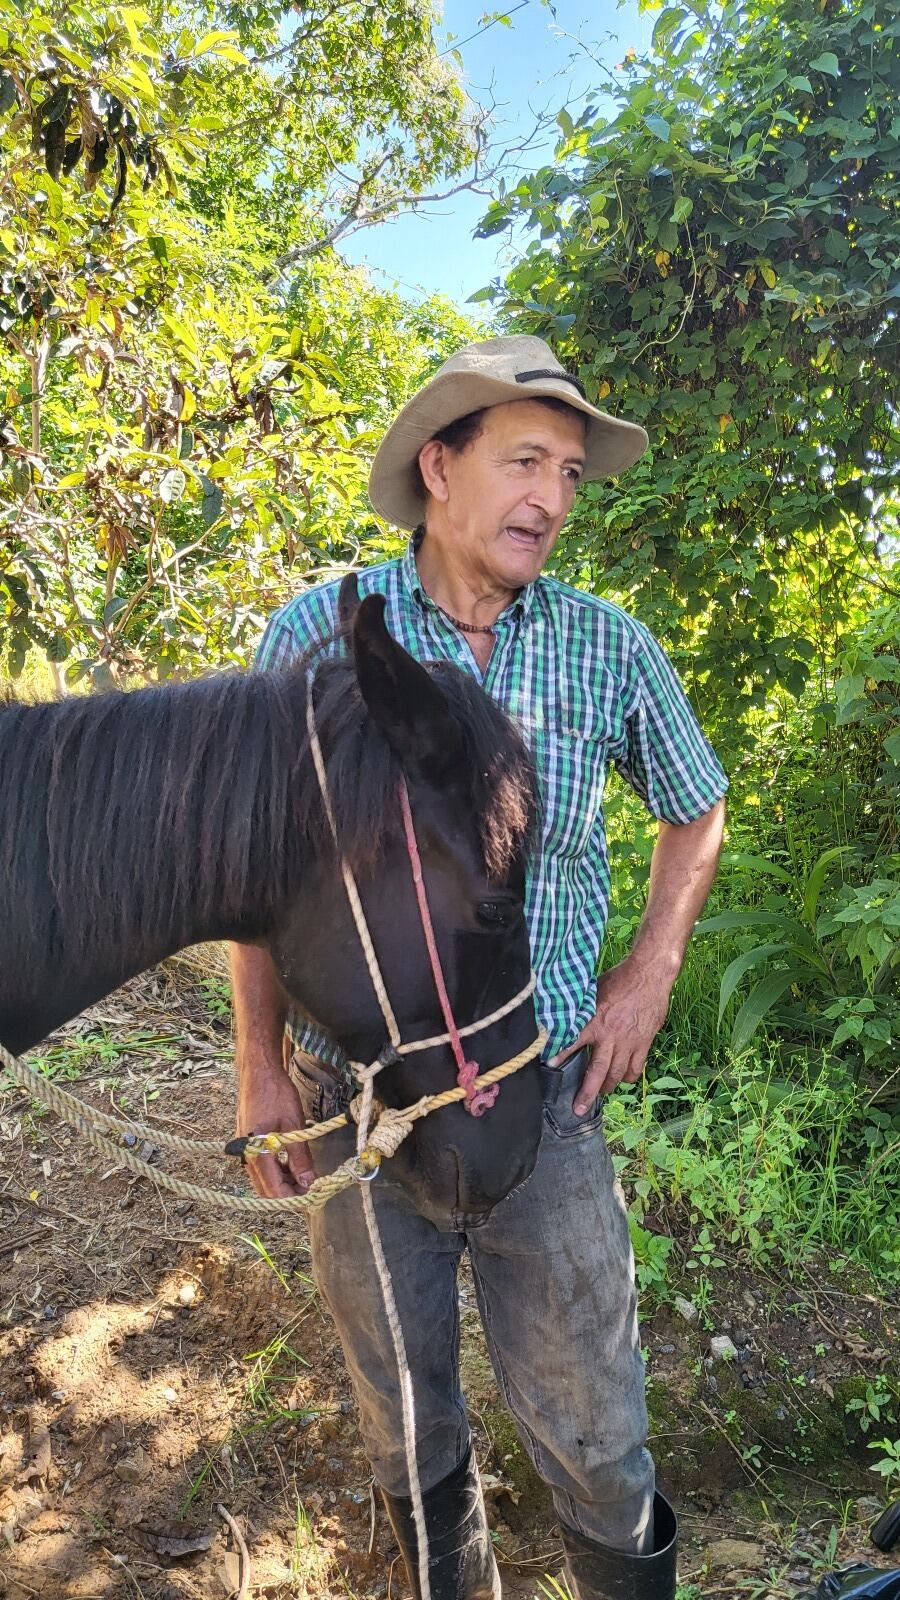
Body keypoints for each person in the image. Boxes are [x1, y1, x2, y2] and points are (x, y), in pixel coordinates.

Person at [230, 335, 727, 1600]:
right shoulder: (317, 633)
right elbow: (252, 861)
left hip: (550, 1102)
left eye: (568, 471)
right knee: (406, 1425)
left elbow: (697, 805)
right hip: (366, 1113)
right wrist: (257, 1066)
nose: (552, 500)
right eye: (524, 462)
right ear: (439, 468)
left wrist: (649, 968)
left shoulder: (606, 647)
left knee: (599, 1434)